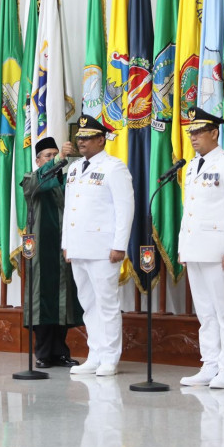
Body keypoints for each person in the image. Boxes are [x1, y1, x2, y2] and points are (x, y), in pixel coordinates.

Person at [178, 107, 224, 389]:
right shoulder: (192, 165)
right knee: (205, 312)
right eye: (191, 132)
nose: (193, 137)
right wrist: (184, 247)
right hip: (195, 248)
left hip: (218, 250)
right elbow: (190, 211)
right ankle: (209, 365)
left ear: (214, 133)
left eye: (198, 132)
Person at [62, 115, 134, 377]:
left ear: (101, 140)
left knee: (107, 303)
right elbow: (70, 209)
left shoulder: (114, 168)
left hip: (104, 248)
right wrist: (66, 243)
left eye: (88, 137)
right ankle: (94, 354)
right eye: (79, 137)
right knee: (88, 303)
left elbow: (125, 209)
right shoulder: (74, 168)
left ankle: (110, 358)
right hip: (79, 246)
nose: (81, 141)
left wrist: (119, 245)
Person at [21, 137, 84, 369]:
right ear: (38, 160)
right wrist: (58, 161)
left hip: (64, 250)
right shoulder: (31, 179)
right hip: (41, 252)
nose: (52, 159)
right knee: (43, 300)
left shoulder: (66, 182)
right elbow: (39, 184)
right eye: (48, 156)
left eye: (54, 155)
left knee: (64, 303)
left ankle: (60, 352)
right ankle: (43, 353)